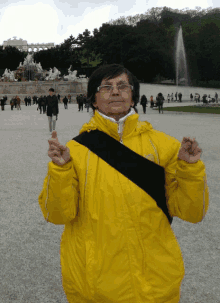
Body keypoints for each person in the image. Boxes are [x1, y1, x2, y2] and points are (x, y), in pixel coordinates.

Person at [38, 63, 209, 303]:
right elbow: (56, 215)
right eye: (106, 87)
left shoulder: (166, 147)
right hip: (94, 285)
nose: (115, 92)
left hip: (156, 283)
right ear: (94, 100)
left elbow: (192, 213)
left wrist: (190, 170)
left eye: (122, 86)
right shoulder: (73, 152)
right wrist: (60, 170)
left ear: (132, 95)